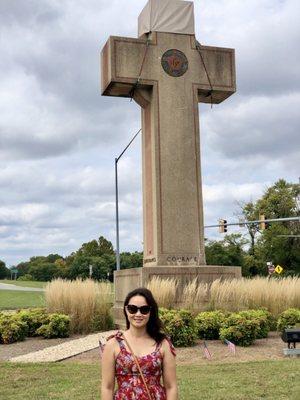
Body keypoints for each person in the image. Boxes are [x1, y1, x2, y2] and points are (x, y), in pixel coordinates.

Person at [101, 287, 178, 400]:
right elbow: (107, 387)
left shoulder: (163, 343)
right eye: (132, 309)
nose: (138, 314)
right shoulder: (113, 344)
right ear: (126, 310)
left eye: (144, 309)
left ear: (151, 312)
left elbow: (171, 387)